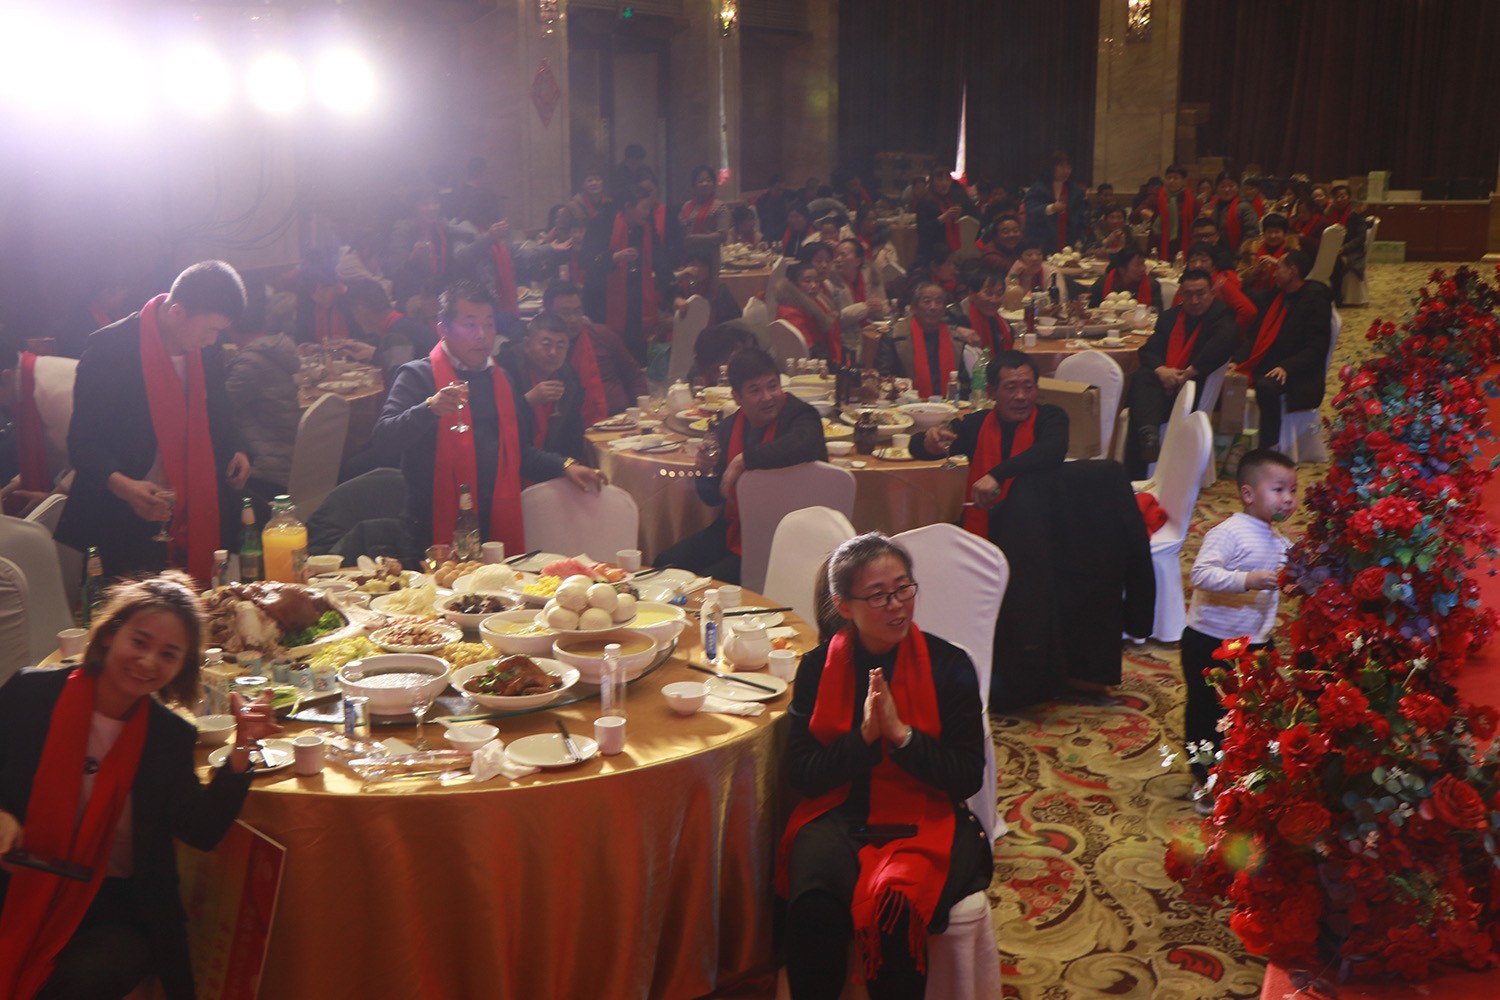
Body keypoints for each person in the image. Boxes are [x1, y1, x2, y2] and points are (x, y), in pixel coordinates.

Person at [0, 573, 280, 1000]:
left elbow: (201, 830)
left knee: (80, 981)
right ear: (109, 635)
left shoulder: (167, 736)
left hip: (117, 906)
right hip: (18, 880)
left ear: (181, 668)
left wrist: (242, 748)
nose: (148, 662)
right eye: (139, 642)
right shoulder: (30, 694)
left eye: (168, 654)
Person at [777, 532, 991, 999]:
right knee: (814, 909)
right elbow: (805, 775)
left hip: (926, 816)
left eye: (903, 588)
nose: (897, 606)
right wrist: (863, 740)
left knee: (895, 911)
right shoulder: (817, 667)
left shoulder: (949, 664)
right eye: (878, 595)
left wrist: (901, 736)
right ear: (844, 605)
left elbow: (965, 777)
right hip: (839, 813)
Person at [373, 281, 606, 564]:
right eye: (470, 325)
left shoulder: (501, 378)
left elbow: (520, 454)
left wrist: (565, 465)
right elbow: (384, 439)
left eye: (488, 324)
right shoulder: (417, 376)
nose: (481, 335)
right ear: (443, 329)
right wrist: (428, 409)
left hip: (493, 528)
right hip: (431, 531)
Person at [56, 261, 252, 583]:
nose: (213, 340)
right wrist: (126, 487)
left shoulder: (205, 350)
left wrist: (237, 447)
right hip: (122, 514)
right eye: (209, 330)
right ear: (177, 312)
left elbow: (218, 411)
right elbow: (82, 443)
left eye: (219, 331)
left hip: (194, 502)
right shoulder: (111, 349)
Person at [1181, 449, 1296, 811]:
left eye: (1293, 491)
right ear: (1248, 493)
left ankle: (1243, 771)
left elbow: (1292, 573)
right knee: (1207, 711)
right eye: (1279, 489)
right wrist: (1246, 579)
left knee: (1252, 709)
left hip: (1255, 641)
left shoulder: (1278, 540)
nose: (1288, 499)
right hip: (1209, 639)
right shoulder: (1229, 532)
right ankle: (1205, 778)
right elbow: (1201, 574)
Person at [656, 348, 826, 583]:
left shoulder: (800, 416)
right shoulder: (728, 427)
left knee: (706, 583)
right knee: (664, 564)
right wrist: (704, 471)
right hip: (734, 528)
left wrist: (743, 460)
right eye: (755, 390)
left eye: (773, 386)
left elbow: (804, 443)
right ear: (736, 397)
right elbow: (714, 497)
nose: (767, 397)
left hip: (784, 536)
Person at [1123, 268, 1240, 476]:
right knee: (1142, 377)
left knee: (1141, 405)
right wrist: (1162, 371)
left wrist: (1186, 374)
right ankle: (1149, 438)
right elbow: (1148, 350)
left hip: (1193, 390)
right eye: (1188, 294)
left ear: (1211, 293)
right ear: (1181, 295)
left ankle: (1138, 469)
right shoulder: (1170, 318)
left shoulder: (1222, 317)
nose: (1194, 301)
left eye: (1200, 294)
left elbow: (1220, 347)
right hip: (1163, 386)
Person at [1237, 250, 1332, 451]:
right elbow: (1255, 337)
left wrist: (1286, 367)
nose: (1274, 273)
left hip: (1300, 373)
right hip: (1272, 364)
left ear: (1292, 271)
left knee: (1266, 386)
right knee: (1230, 376)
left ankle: (1269, 447)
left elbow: (1317, 348)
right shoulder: (1277, 297)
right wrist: (1237, 362)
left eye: (1278, 268)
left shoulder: (1315, 299)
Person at [582, 184, 678, 364]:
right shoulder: (602, 223)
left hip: (636, 304)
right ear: (628, 206)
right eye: (644, 207)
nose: (648, 213)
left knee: (636, 357)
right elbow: (586, 259)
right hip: (603, 303)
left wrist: (674, 295)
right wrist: (613, 258)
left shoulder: (646, 227)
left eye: (650, 208)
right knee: (608, 357)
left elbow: (661, 262)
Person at [224, 289, 300, 503]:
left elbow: (217, 410)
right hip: (287, 459)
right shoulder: (272, 350)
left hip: (266, 470)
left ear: (229, 324)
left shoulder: (250, 363)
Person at [498, 312, 597, 462]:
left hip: (553, 466)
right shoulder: (506, 370)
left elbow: (572, 437)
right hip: (512, 462)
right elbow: (495, 424)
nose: (553, 353)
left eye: (560, 346)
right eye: (546, 345)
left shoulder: (570, 380)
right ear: (527, 344)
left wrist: (568, 466)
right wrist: (527, 401)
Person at [543, 281, 646, 416]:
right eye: (565, 313)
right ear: (547, 313)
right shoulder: (543, 349)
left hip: (620, 418)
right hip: (572, 422)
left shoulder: (601, 335)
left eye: (577, 311)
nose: (573, 319)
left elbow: (634, 375)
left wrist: (641, 412)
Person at [867, 282, 970, 397]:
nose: (933, 307)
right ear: (914, 307)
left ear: (944, 309)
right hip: (904, 403)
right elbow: (882, 379)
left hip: (949, 404)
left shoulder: (956, 338)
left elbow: (965, 383)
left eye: (939, 302)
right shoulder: (893, 336)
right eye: (927, 301)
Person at [388, 186, 473, 308]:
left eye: (435, 202)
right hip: (415, 297)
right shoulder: (403, 231)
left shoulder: (443, 225)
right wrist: (413, 257)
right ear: (414, 207)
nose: (432, 208)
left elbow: (467, 236)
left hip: (443, 293)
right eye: (425, 204)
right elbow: (397, 271)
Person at [344, 278, 437, 377]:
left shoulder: (396, 335)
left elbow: (399, 381)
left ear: (361, 310)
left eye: (354, 313)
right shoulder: (403, 325)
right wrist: (373, 354)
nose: (356, 319)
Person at [1175, 242, 1257, 335]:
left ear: (1213, 264)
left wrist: (1230, 334)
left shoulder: (1222, 284)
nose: (1197, 265)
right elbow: (1174, 310)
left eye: (1203, 260)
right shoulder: (1186, 284)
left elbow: (1248, 311)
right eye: (1193, 261)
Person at [826, 238, 889, 351]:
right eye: (836, 255)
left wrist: (879, 308)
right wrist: (864, 307)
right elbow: (834, 321)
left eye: (843, 255)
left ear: (858, 261)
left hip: (873, 338)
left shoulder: (873, 278)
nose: (838, 259)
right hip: (843, 343)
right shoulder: (829, 283)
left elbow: (885, 310)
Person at [1022, 151, 1089, 253]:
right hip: (1042, 244)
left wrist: (1079, 240)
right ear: (1051, 167)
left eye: (1069, 167)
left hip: (1069, 245)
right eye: (1062, 167)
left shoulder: (1075, 191)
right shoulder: (1038, 188)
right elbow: (1031, 212)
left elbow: (1080, 219)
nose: (1066, 171)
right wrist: (1052, 208)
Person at [775, 261, 841, 362]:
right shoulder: (790, 313)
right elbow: (808, 350)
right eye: (807, 281)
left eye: (816, 281)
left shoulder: (816, 301)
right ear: (794, 285)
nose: (814, 286)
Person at [947, 267, 1013, 354]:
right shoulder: (956, 314)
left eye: (999, 294)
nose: (994, 300)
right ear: (971, 293)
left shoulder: (1000, 320)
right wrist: (956, 331)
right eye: (988, 293)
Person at [672, 248, 742, 326]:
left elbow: (734, 321)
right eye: (692, 265)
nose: (697, 269)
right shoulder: (680, 287)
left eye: (702, 266)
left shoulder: (719, 289)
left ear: (709, 269)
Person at [1236, 213, 1300, 293]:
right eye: (1269, 232)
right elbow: (1239, 277)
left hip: (1282, 294)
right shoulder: (1251, 248)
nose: (1273, 236)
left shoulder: (1291, 249)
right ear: (1263, 233)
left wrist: (1278, 263)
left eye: (1277, 232)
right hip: (1253, 293)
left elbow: (1297, 276)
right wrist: (1254, 272)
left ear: (1285, 233)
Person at [916, 169, 973, 254]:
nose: (945, 183)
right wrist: (944, 217)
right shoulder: (925, 202)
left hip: (949, 248)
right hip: (931, 250)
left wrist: (957, 215)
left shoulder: (950, 199)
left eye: (948, 180)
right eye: (940, 180)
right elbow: (923, 230)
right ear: (932, 182)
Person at [1088, 247, 1162, 309]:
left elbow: (1157, 314)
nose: (1143, 268)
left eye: (1143, 263)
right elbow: (1091, 310)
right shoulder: (1102, 283)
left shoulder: (1152, 285)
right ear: (1122, 269)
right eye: (1138, 265)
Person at [1152, 164, 1198, 261]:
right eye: (1168, 178)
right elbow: (1135, 217)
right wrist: (1145, 212)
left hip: (1183, 244)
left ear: (1184, 181)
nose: (1171, 181)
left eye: (1176, 178)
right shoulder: (1157, 197)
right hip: (1160, 244)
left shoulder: (1191, 200)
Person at [1204, 172, 1260, 252]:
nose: (1227, 189)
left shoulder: (1245, 207)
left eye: (1231, 186)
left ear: (1238, 188)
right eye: (1223, 186)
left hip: (1235, 254)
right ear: (1217, 188)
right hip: (1210, 253)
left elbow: (1251, 234)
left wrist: (1240, 254)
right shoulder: (1209, 207)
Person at [680, 164, 731, 240]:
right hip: (686, 247)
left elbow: (723, 235)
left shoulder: (720, 207)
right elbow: (679, 230)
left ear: (714, 184)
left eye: (708, 180)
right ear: (694, 185)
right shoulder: (686, 206)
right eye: (700, 181)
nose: (705, 184)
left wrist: (694, 238)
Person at [752, 174, 792, 249]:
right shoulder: (762, 201)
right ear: (770, 188)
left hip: (783, 234)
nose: (781, 192)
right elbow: (766, 222)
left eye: (782, 190)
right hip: (767, 234)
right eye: (778, 189)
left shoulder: (785, 199)